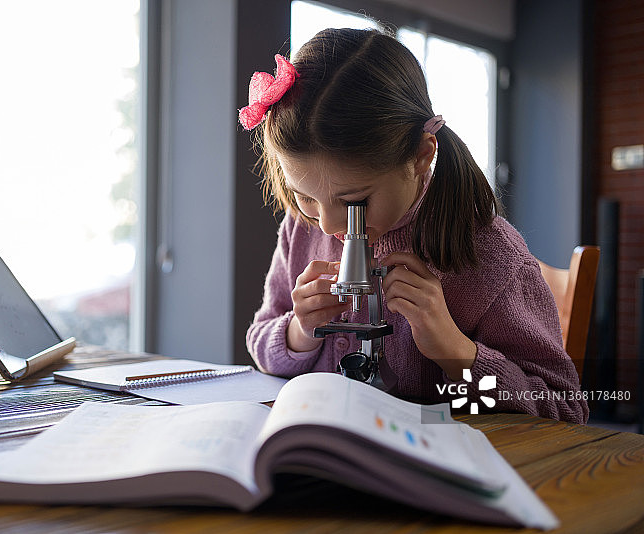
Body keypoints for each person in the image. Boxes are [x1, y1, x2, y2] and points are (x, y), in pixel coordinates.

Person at [240, 26, 588, 424]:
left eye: (355, 202)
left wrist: (454, 349)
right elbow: (261, 339)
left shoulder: (491, 257)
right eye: (305, 195)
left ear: (422, 156)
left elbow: (564, 410)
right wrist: (299, 332)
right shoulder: (303, 225)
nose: (329, 223)